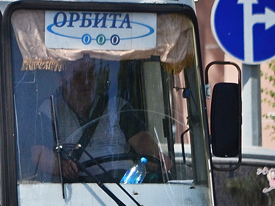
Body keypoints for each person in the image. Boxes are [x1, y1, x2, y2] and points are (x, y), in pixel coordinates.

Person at [27, 58, 169, 183]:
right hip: (79, 189)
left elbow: (140, 139)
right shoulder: (49, 109)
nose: (86, 82)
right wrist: (61, 166)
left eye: (90, 74)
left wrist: (153, 156)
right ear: (61, 81)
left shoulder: (117, 106)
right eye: (78, 76)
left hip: (126, 187)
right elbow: (38, 152)